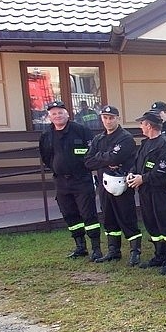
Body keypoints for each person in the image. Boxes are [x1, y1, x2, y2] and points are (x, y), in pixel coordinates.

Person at [39, 100, 102, 261]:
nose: (57, 116)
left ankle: (96, 248)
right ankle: (80, 246)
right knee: (70, 215)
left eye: (60, 112)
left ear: (67, 114)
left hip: (81, 179)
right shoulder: (46, 135)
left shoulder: (81, 130)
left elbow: (92, 152)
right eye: (54, 113)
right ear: (49, 117)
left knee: (88, 215)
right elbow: (46, 157)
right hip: (61, 182)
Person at [84, 105, 142, 264]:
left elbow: (116, 158)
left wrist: (101, 158)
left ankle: (135, 252)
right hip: (104, 184)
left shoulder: (125, 138)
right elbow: (88, 161)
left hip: (122, 183)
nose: (108, 121)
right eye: (105, 118)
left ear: (117, 118)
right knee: (108, 217)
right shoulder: (98, 139)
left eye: (111, 118)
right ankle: (113, 250)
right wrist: (106, 158)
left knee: (127, 217)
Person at [126, 110, 166, 267]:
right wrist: (132, 173)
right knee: (151, 222)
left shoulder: (165, 144)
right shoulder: (145, 143)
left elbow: (162, 171)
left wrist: (143, 178)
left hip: (160, 192)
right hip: (145, 191)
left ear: (149, 125)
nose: (140, 126)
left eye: (142, 123)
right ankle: (159, 255)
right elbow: (138, 163)